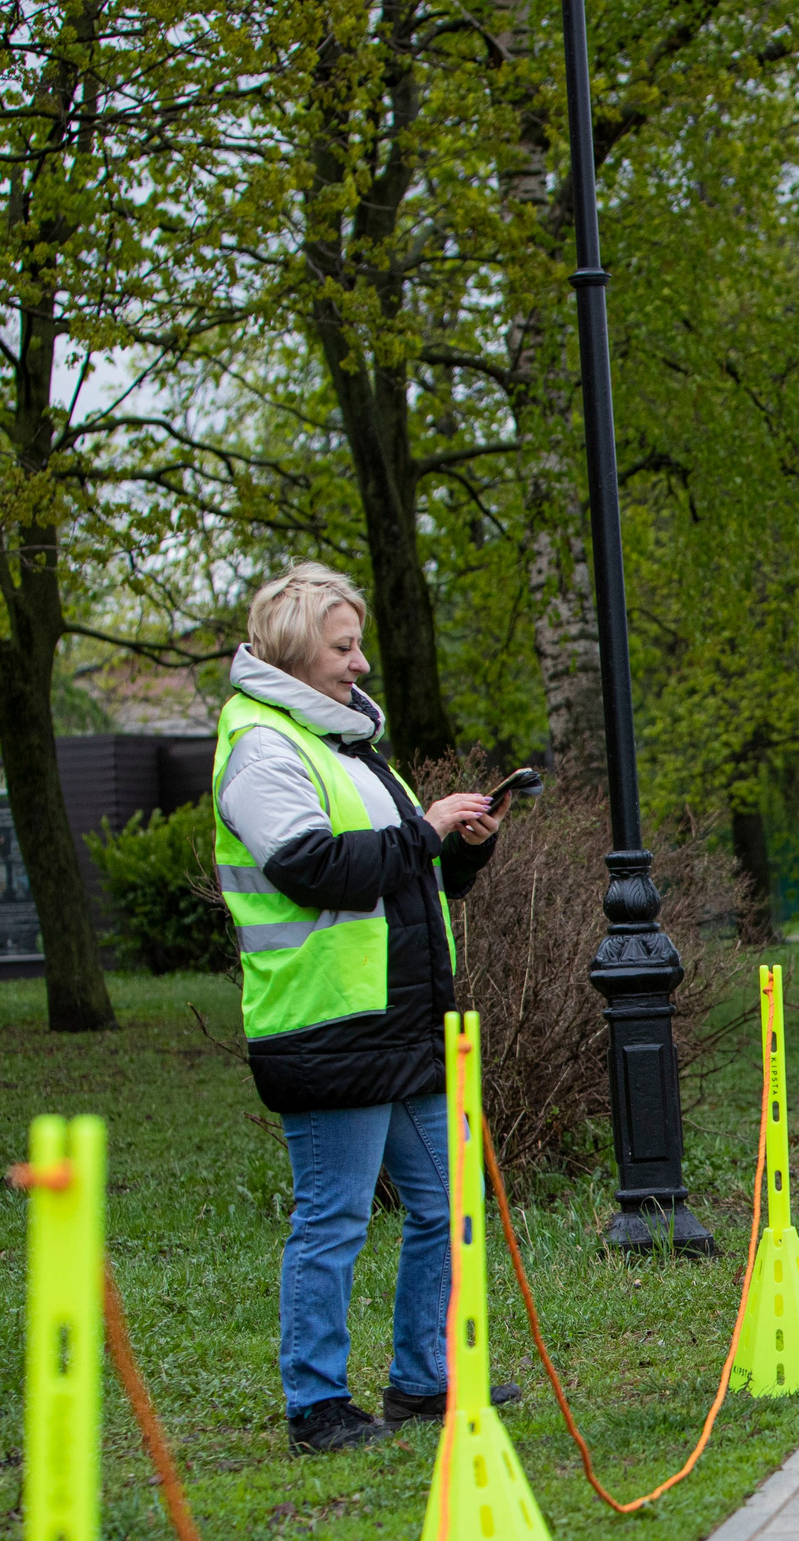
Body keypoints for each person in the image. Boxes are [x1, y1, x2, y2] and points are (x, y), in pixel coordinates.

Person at [213, 564, 519, 1453]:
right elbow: (313, 868)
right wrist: (420, 831)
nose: (360, 664)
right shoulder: (263, 746)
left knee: (447, 1203)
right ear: (295, 650)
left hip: (396, 1026)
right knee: (335, 1216)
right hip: (325, 1027)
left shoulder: (342, 742)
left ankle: (424, 1378)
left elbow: (397, 877)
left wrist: (457, 851)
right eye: (343, 647)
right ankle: (316, 1403)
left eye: (359, 645)